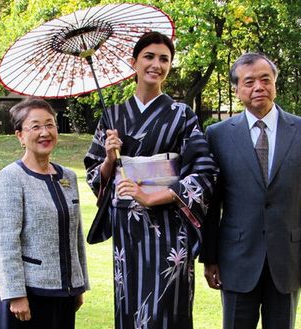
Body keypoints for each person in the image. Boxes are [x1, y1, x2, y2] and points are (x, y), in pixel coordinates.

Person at [84, 31, 217, 329]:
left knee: (168, 309)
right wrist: (108, 157)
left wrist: (154, 196)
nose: (156, 64)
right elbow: (95, 175)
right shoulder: (112, 116)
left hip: (169, 225)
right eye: (149, 57)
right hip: (127, 229)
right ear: (134, 62)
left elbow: (205, 172)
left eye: (164, 59)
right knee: (129, 305)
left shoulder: (182, 115)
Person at [200, 53, 301, 329]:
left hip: (288, 260)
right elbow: (212, 204)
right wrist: (210, 258)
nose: (258, 87)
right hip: (236, 260)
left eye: (265, 79)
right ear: (237, 90)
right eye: (249, 82)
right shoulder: (218, 135)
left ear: (275, 85)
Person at [0, 98, 90, 329]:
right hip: (29, 296)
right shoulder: (11, 178)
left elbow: (75, 234)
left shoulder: (68, 176)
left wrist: (79, 283)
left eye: (50, 124)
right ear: (20, 136)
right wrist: (15, 294)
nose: (45, 132)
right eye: (35, 126)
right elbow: (6, 241)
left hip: (65, 294)